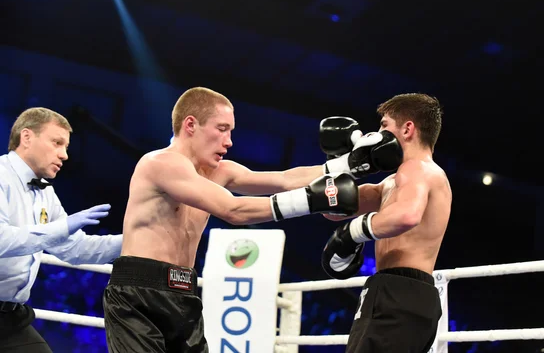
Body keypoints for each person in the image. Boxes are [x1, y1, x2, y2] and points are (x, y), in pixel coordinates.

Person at [102, 86, 402, 353]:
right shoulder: (161, 163)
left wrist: (349, 164)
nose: (229, 141)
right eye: (221, 129)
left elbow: (285, 180)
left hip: (184, 291)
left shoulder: (219, 171)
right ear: (190, 125)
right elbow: (232, 210)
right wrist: (311, 200)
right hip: (138, 293)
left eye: (230, 131)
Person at [321, 93, 452, 353]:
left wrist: (354, 232)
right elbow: (331, 208)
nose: (377, 133)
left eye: (384, 125)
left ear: (407, 128)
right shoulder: (394, 181)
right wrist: (343, 162)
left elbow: (407, 216)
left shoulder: (419, 170)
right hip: (399, 291)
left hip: (400, 290)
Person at [0, 107, 123, 352]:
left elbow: (73, 248)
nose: (64, 155)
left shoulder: (45, 192)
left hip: (11, 318)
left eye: (65, 146)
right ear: (26, 137)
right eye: (57, 143)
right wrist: (63, 226)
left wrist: (137, 239)